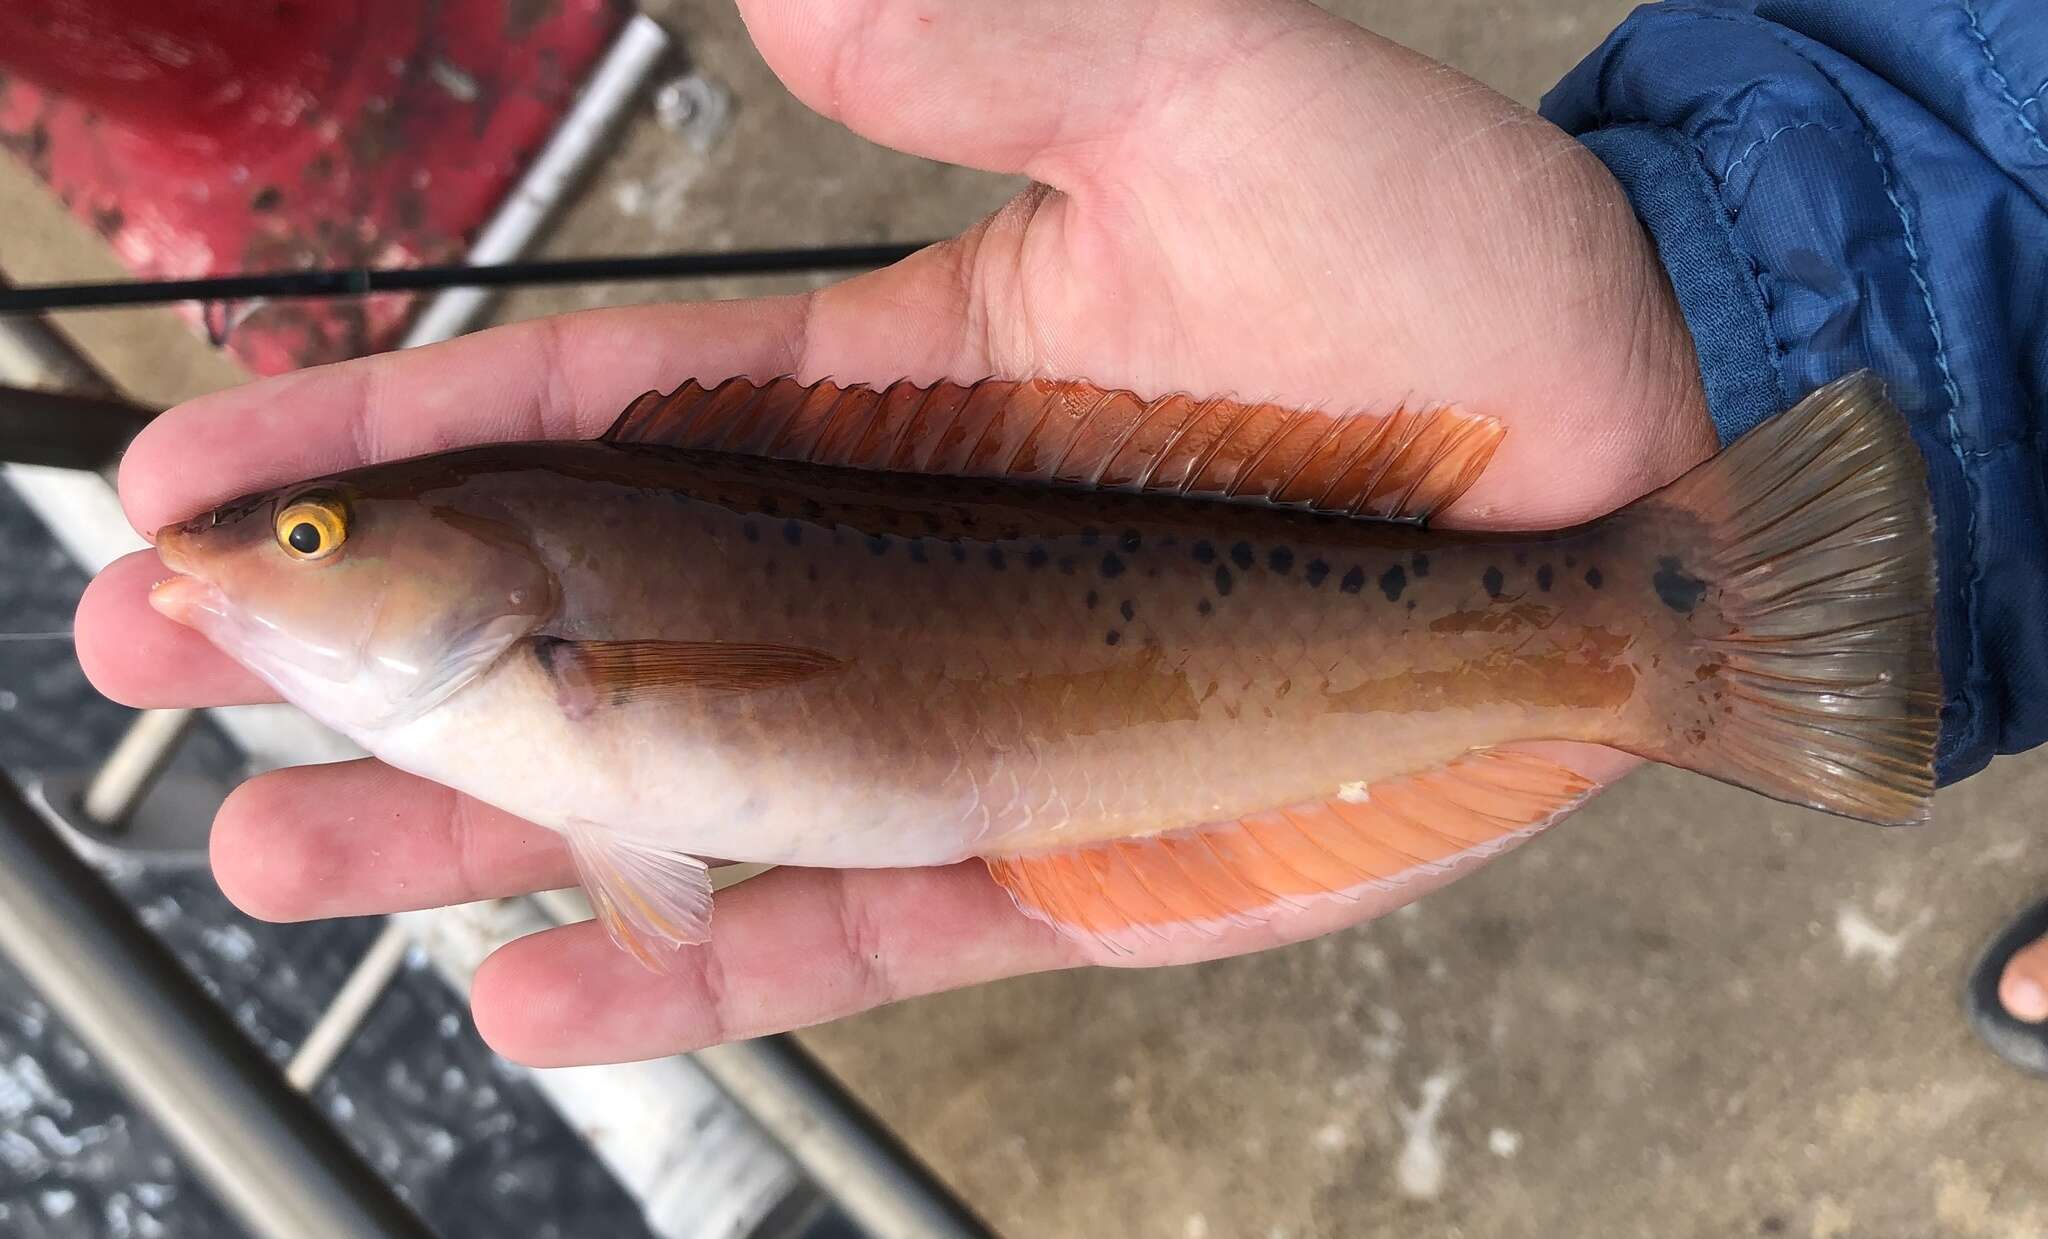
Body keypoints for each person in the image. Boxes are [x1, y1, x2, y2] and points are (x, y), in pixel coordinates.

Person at [74, 0, 2046, 1071]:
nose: (247, 556)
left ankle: (1691, 605)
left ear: (493, 585)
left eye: (309, 524)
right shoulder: (520, 660)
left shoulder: (530, 647)